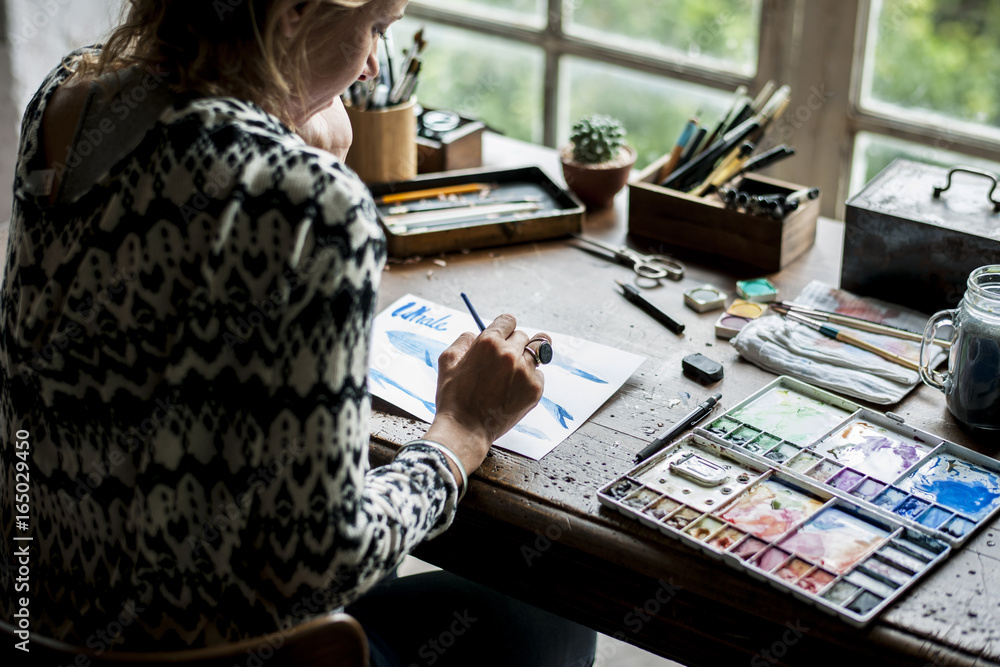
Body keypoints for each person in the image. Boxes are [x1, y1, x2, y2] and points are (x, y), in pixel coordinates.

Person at [0, 1, 597, 664]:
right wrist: (460, 433)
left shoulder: (67, 102)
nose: (373, 68)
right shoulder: (310, 201)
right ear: (294, 13)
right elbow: (320, 563)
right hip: (204, 648)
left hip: (39, 619)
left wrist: (278, 123)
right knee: (552, 617)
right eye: (374, 28)